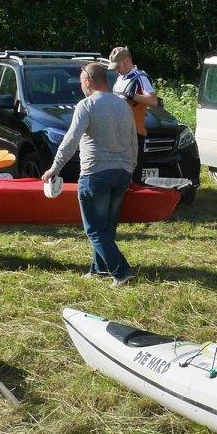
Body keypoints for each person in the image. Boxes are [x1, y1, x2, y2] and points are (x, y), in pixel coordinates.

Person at [43, 61, 137, 285]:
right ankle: (98, 269)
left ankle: (121, 272)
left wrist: (54, 169)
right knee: (107, 228)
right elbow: (134, 141)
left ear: (88, 81)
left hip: (95, 173)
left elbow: (70, 141)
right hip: (122, 172)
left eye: (81, 82)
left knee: (94, 229)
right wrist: (130, 169)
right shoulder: (123, 105)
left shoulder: (86, 105)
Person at [109, 46, 159, 173]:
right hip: (118, 134)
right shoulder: (120, 78)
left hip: (134, 135)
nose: (116, 71)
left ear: (126, 61)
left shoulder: (140, 77)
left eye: (117, 67)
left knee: (132, 175)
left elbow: (153, 101)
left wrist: (132, 95)